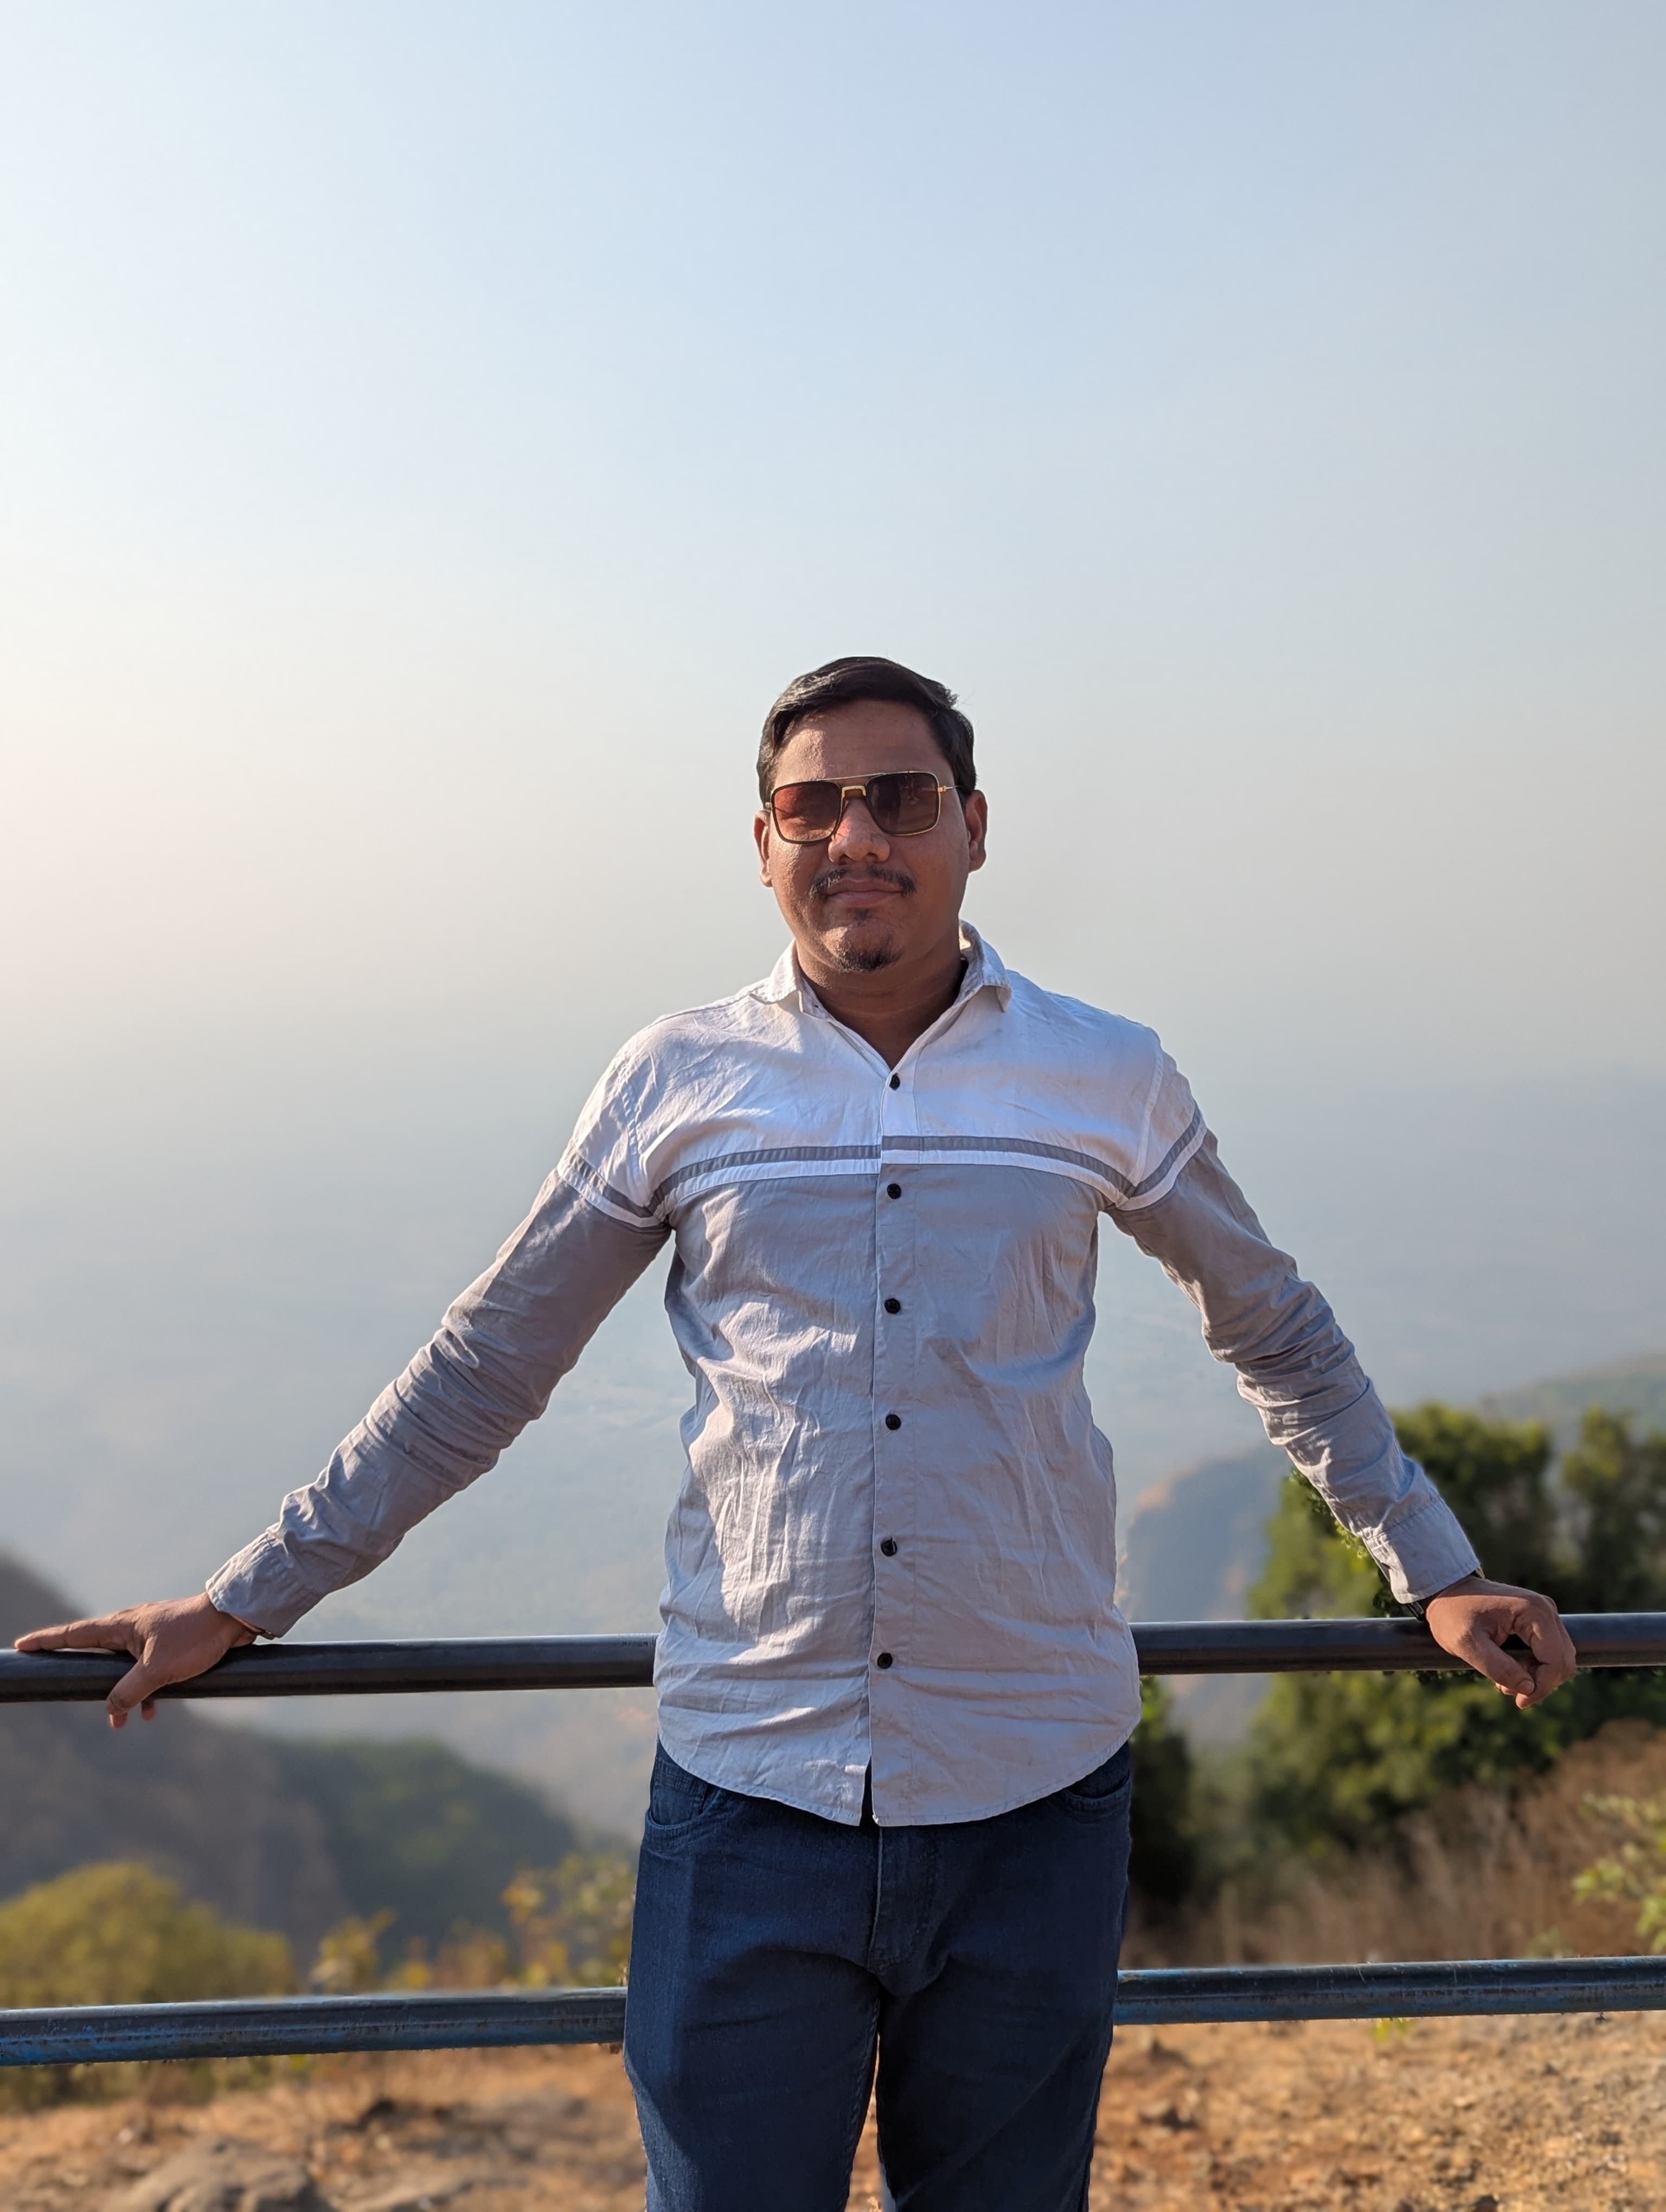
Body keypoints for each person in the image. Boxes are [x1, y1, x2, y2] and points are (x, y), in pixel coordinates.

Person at [20, 656, 1578, 2210]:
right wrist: (246, 1599)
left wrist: (1433, 1571)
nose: (857, 837)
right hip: (750, 1794)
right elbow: (487, 1365)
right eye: (813, 805)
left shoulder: (1107, 1072)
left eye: (900, 798)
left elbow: (1274, 1327)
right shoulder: (677, 1078)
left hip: (1035, 1791)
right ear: (763, 842)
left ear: (974, 826)